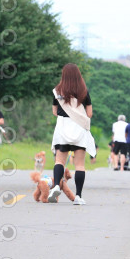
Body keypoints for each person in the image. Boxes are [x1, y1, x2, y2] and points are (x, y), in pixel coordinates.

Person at [49, 63, 96, 205]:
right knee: (79, 165)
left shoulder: (58, 91)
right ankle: (78, 197)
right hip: (79, 129)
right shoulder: (84, 91)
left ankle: (56, 186)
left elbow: (55, 112)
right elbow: (89, 113)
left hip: (63, 127)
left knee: (59, 161)